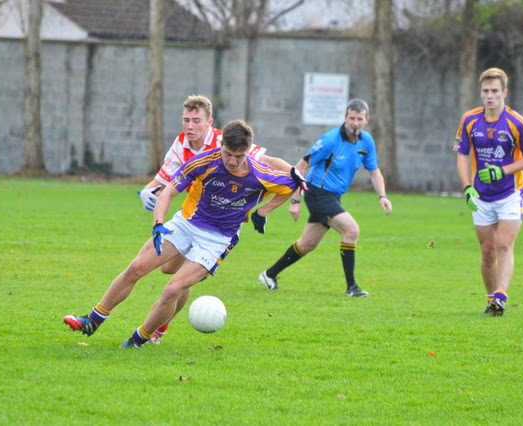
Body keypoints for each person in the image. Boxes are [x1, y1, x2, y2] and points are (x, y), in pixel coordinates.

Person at [64, 120, 303, 348]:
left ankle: (139, 339)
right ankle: (92, 320)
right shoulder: (204, 161)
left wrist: (263, 211)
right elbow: (168, 192)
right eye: (228, 154)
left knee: (171, 290)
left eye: (239, 156)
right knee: (136, 267)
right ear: (221, 146)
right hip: (186, 224)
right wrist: (158, 224)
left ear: (248, 151)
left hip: (218, 239)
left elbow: (292, 185)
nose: (232, 161)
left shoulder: (261, 173)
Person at [137, 94, 298, 343]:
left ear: (208, 122)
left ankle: (156, 330)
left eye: (196, 121)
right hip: (189, 217)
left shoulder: (229, 140)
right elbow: (164, 179)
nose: (190, 126)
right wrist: (148, 191)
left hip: (217, 227)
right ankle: (178, 289)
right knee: (168, 269)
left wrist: (292, 172)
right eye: (186, 120)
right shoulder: (181, 144)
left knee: (177, 285)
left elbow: (266, 161)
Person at [258, 99, 393, 297]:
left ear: (366, 120)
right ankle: (352, 288)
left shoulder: (367, 141)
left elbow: (375, 172)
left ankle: (269, 275)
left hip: (332, 197)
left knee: (307, 244)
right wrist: (295, 200)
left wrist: (382, 196)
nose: (355, 122)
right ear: (345, 118)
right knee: (351, 230)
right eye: (351, 118)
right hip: (317, 192)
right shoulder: (330, 140)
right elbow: (300, 167)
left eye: (359, 119)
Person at [454, 67, 523, 317]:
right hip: (481, 195)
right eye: (485, 91)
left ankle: (501, 296)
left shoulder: (517, 122)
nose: (490, 96)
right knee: (487, 251)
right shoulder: (469, 120)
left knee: (503, 245)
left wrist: (503, 171)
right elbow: (462, 154)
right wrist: (467, 187)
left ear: (504, 93)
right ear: (481, 93)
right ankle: (492, 300)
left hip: (511, 193)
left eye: (495, 91)